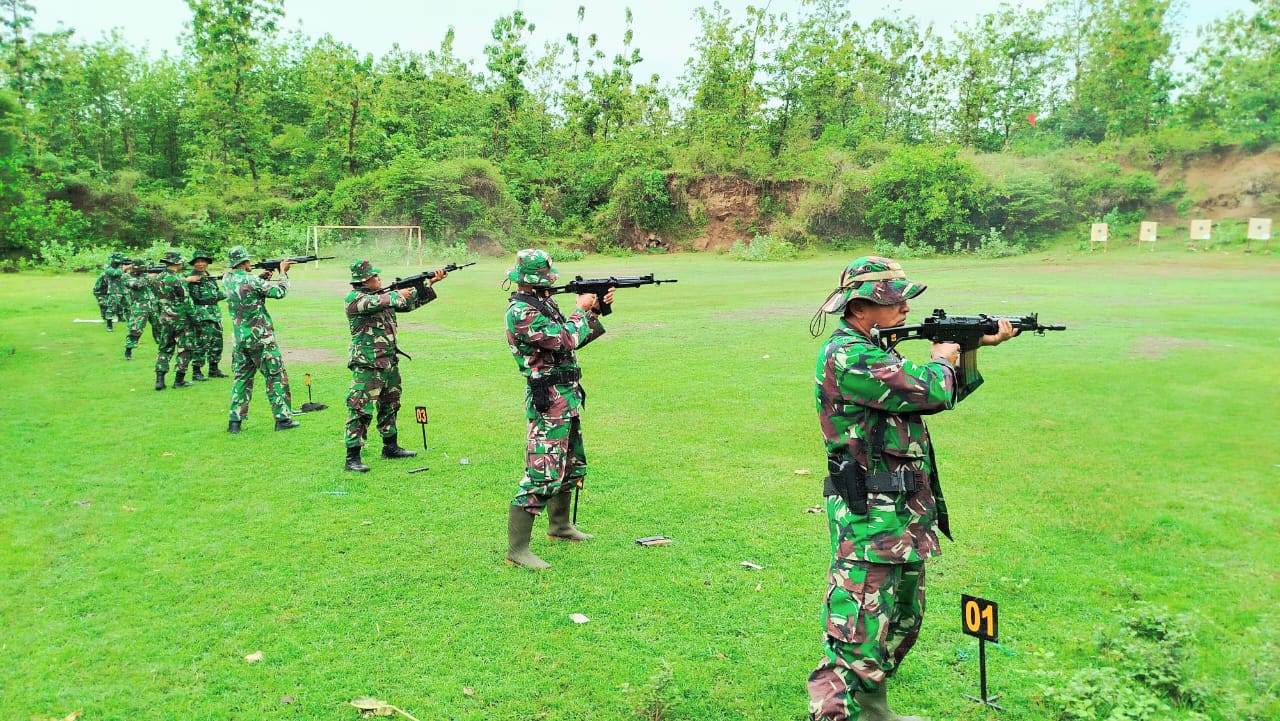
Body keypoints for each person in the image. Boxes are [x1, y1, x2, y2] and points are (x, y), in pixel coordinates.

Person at [807, 256, 1017, 721]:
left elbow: (945, 392)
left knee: (902, 623)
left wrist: (969, 348)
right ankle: (836, 715)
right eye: (893, 299)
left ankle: (872, 712)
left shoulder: (878, 348)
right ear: (861, 307)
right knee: (856, 634)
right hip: (867, 516)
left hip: (901, 513)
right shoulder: (848, 355)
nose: (904, 307)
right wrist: (943, 357)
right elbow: (931, 391)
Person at [502, 249, 613, 570]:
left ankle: (560, 527)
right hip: (547, 399)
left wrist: (595, 311)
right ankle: (517, 551)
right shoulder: (522, 312)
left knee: (570, 464)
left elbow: (574, 338)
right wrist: (580, 311)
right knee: (542, 471)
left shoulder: (542, 303)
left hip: (567, 395)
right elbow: (565, 339)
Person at [342, 259, 447, 472]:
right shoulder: (356, 299)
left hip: (388, 361)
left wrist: (429, 284)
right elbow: (377, 302)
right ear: (364, 280)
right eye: (375, 277)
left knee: (390, 404)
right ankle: (352, 457)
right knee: (360, 408)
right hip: (367, 365)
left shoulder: (383, 297)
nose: (379, 279)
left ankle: (390, 446)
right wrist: (399, 293)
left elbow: (408, 305)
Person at [223, 246, 298, 433]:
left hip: (240, 339)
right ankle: (282, 419)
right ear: (245, 262)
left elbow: (247, 290)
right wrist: (283, 273)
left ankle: (235, 421)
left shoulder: (227, 278)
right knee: (275, 376)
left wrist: (262, 278)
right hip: (260, 338)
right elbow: (279, 292)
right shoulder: (251, 279)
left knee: (242, 378)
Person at [151, 250, 197, 390]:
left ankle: (160, 380)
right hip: (181, 319)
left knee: (164, 348)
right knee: (185, 348)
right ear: (177, 262)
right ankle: (179, 380)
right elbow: (187, 301)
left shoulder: (156, 279)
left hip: (164, 318)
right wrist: (195, 318)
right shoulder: (178, 280)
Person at [187, 250, 229, 380]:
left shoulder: (210, 278)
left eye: (203, 261)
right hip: (200, 314)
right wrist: (187, 280)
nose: (200, 264)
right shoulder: (189, 278)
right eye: (197, 262)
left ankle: (214, 369)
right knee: (201, 343)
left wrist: (231, 293)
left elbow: (217, 294)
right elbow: (175, 285)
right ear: (194, 264)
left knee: (217, 342)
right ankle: (197, 371)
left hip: (214, 313)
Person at [122, 258, 160, 360]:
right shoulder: (126, 276)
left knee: (160, 327)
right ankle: (128, 350)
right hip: (139, 306)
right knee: (135, 328)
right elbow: (136, 285)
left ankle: (163, 348)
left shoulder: (145, 275)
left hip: (153, 305)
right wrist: (148, 278)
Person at [92, 252, 128, 332]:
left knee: (125, 305)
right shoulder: (108, 269)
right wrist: (125, 268)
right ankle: (109, 325)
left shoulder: (119, 267)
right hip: (101, 291)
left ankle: (122, 318)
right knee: (109, 307)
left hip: (117, 290)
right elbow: (116, 273)